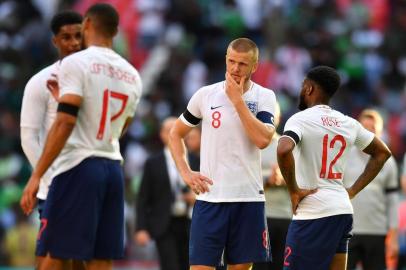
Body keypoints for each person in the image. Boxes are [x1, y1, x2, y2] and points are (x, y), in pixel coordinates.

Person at [19, 3, 142, 270]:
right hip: (112, 167)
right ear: (116, 31)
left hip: (78, 166)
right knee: (101, 257)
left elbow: (64, 121)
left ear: (86, 25)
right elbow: (121, 125)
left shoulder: (75, 63)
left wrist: (37, 175)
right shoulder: (132, 73)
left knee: (55, 253)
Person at [169, 37, 277, 270]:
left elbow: (262, 140)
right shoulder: (205, 95)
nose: (235, 69)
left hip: (247, 198)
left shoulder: (264, 97)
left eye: (242, 64)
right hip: (211, 198)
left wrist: (238, 102)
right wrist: (186, 173)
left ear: (255, 66)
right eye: (231, 61)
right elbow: (175, 134)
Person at [277, 66, 392, 270]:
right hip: (341, 209)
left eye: (303, 85)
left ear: (309, 88)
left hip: (312, 211)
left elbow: (284, 149)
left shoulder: (300, 119)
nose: (301, 90)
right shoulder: (348, 122)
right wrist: (352, 191)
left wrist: (293, 190)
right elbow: (383, 152)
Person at [19, 10, 83, 268]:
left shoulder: (96, 80)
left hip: (89, 180)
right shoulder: (40, 82)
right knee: (52, 255)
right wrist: (47, 175)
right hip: (55, 184)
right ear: (55, 41)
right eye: (66, 37)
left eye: (78, 35)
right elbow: (28, 137)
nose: (74, 43)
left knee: (84, 257)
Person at [135, 117, 197, 270]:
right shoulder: (153, 163)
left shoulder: (196, 160)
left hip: (191, 222)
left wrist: (197, 198)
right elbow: (143, 198)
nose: (173, 133)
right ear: (162, 134)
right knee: (170, 265)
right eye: (169, 130)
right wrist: (141, 228)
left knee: (189, 264)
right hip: (164, 223)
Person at [343, 109, 399, 270]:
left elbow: (392, 202)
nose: (368, 133)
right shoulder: (344, 156)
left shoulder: (388, 162)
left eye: (372, 129)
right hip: (348, 231)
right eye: (364, 128)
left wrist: (393, 238)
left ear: (380, 132)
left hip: (376, 232)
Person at [254, 103, 292, 270]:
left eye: (271, 115)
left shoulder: (288, 146)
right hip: (258, 217)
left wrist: (284, 180)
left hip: (285, 216)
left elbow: (302, 179)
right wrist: (268, 179)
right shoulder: (250, 146)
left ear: (278, 118)